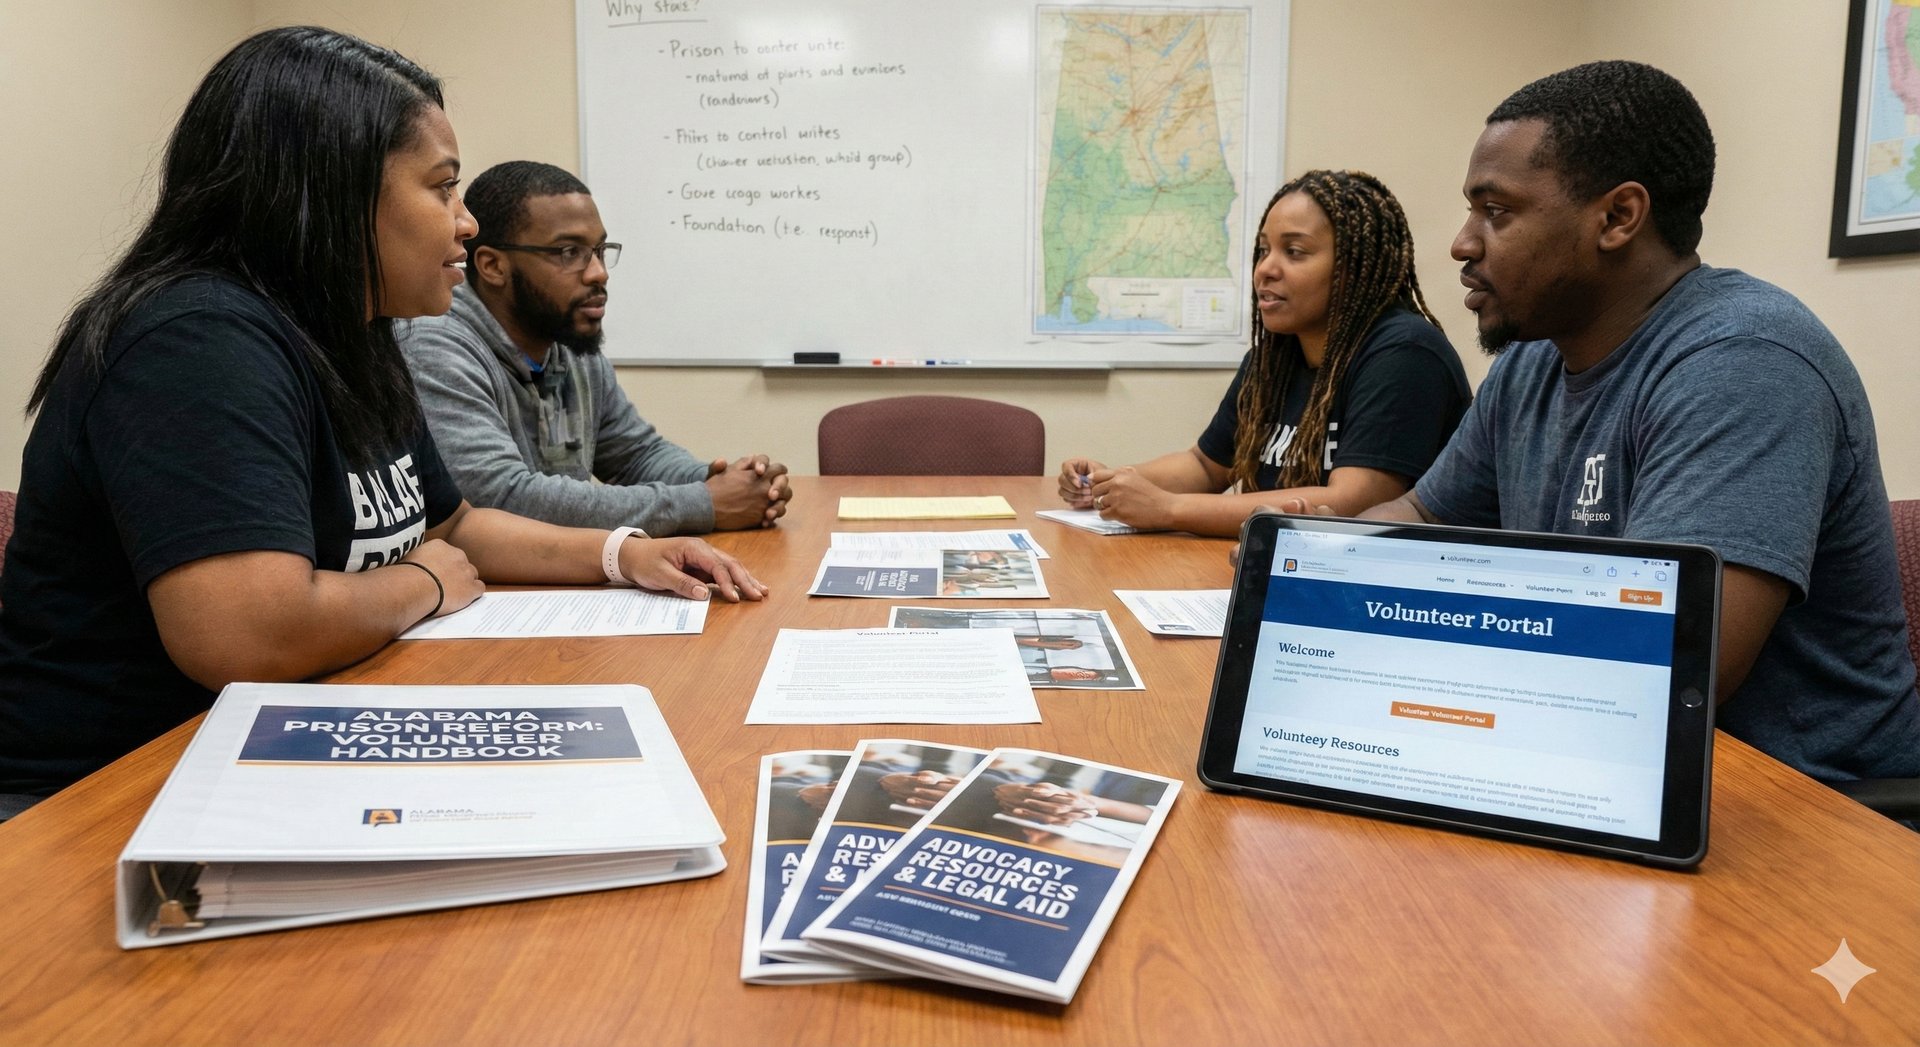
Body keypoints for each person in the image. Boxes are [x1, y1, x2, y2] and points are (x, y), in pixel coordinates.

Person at [0, 28, 767, 812]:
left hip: (268, 752)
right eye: (442, 189)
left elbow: (454, 523)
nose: (466, 224)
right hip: (103, 799)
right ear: (330, 192)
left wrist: (622, 555)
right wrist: (420, 584)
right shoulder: (197, 340)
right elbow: (248, 632)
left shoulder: (356, 334)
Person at [1293, 60, 1920, 786]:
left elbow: (1663, 671)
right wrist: (1308, 571)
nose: (1463, 243)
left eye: (1496, 212)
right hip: (1601, 763)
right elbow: (1421, 514)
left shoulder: (1745, 363)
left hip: (1808, 806)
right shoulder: (1532, 363)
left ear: (1618, 217)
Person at [1057, 170, 1470, 537]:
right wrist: (1110, 483)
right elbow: (1206, 466)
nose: (1265, 269)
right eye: (1263, 250)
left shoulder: (1405, 353)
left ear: (1353, 267)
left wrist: (1168, 508)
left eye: (1294, 252)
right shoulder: (1273, 358)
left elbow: (1354, 503)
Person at [398, 161, 791, 535]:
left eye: (600, 251)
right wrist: (702, 502)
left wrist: (727, 482)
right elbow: (499, 499)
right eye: (569, 252)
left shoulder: (568, 344)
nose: (598, 272)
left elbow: (636, 455)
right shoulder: (434, 344)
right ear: (493, 266)